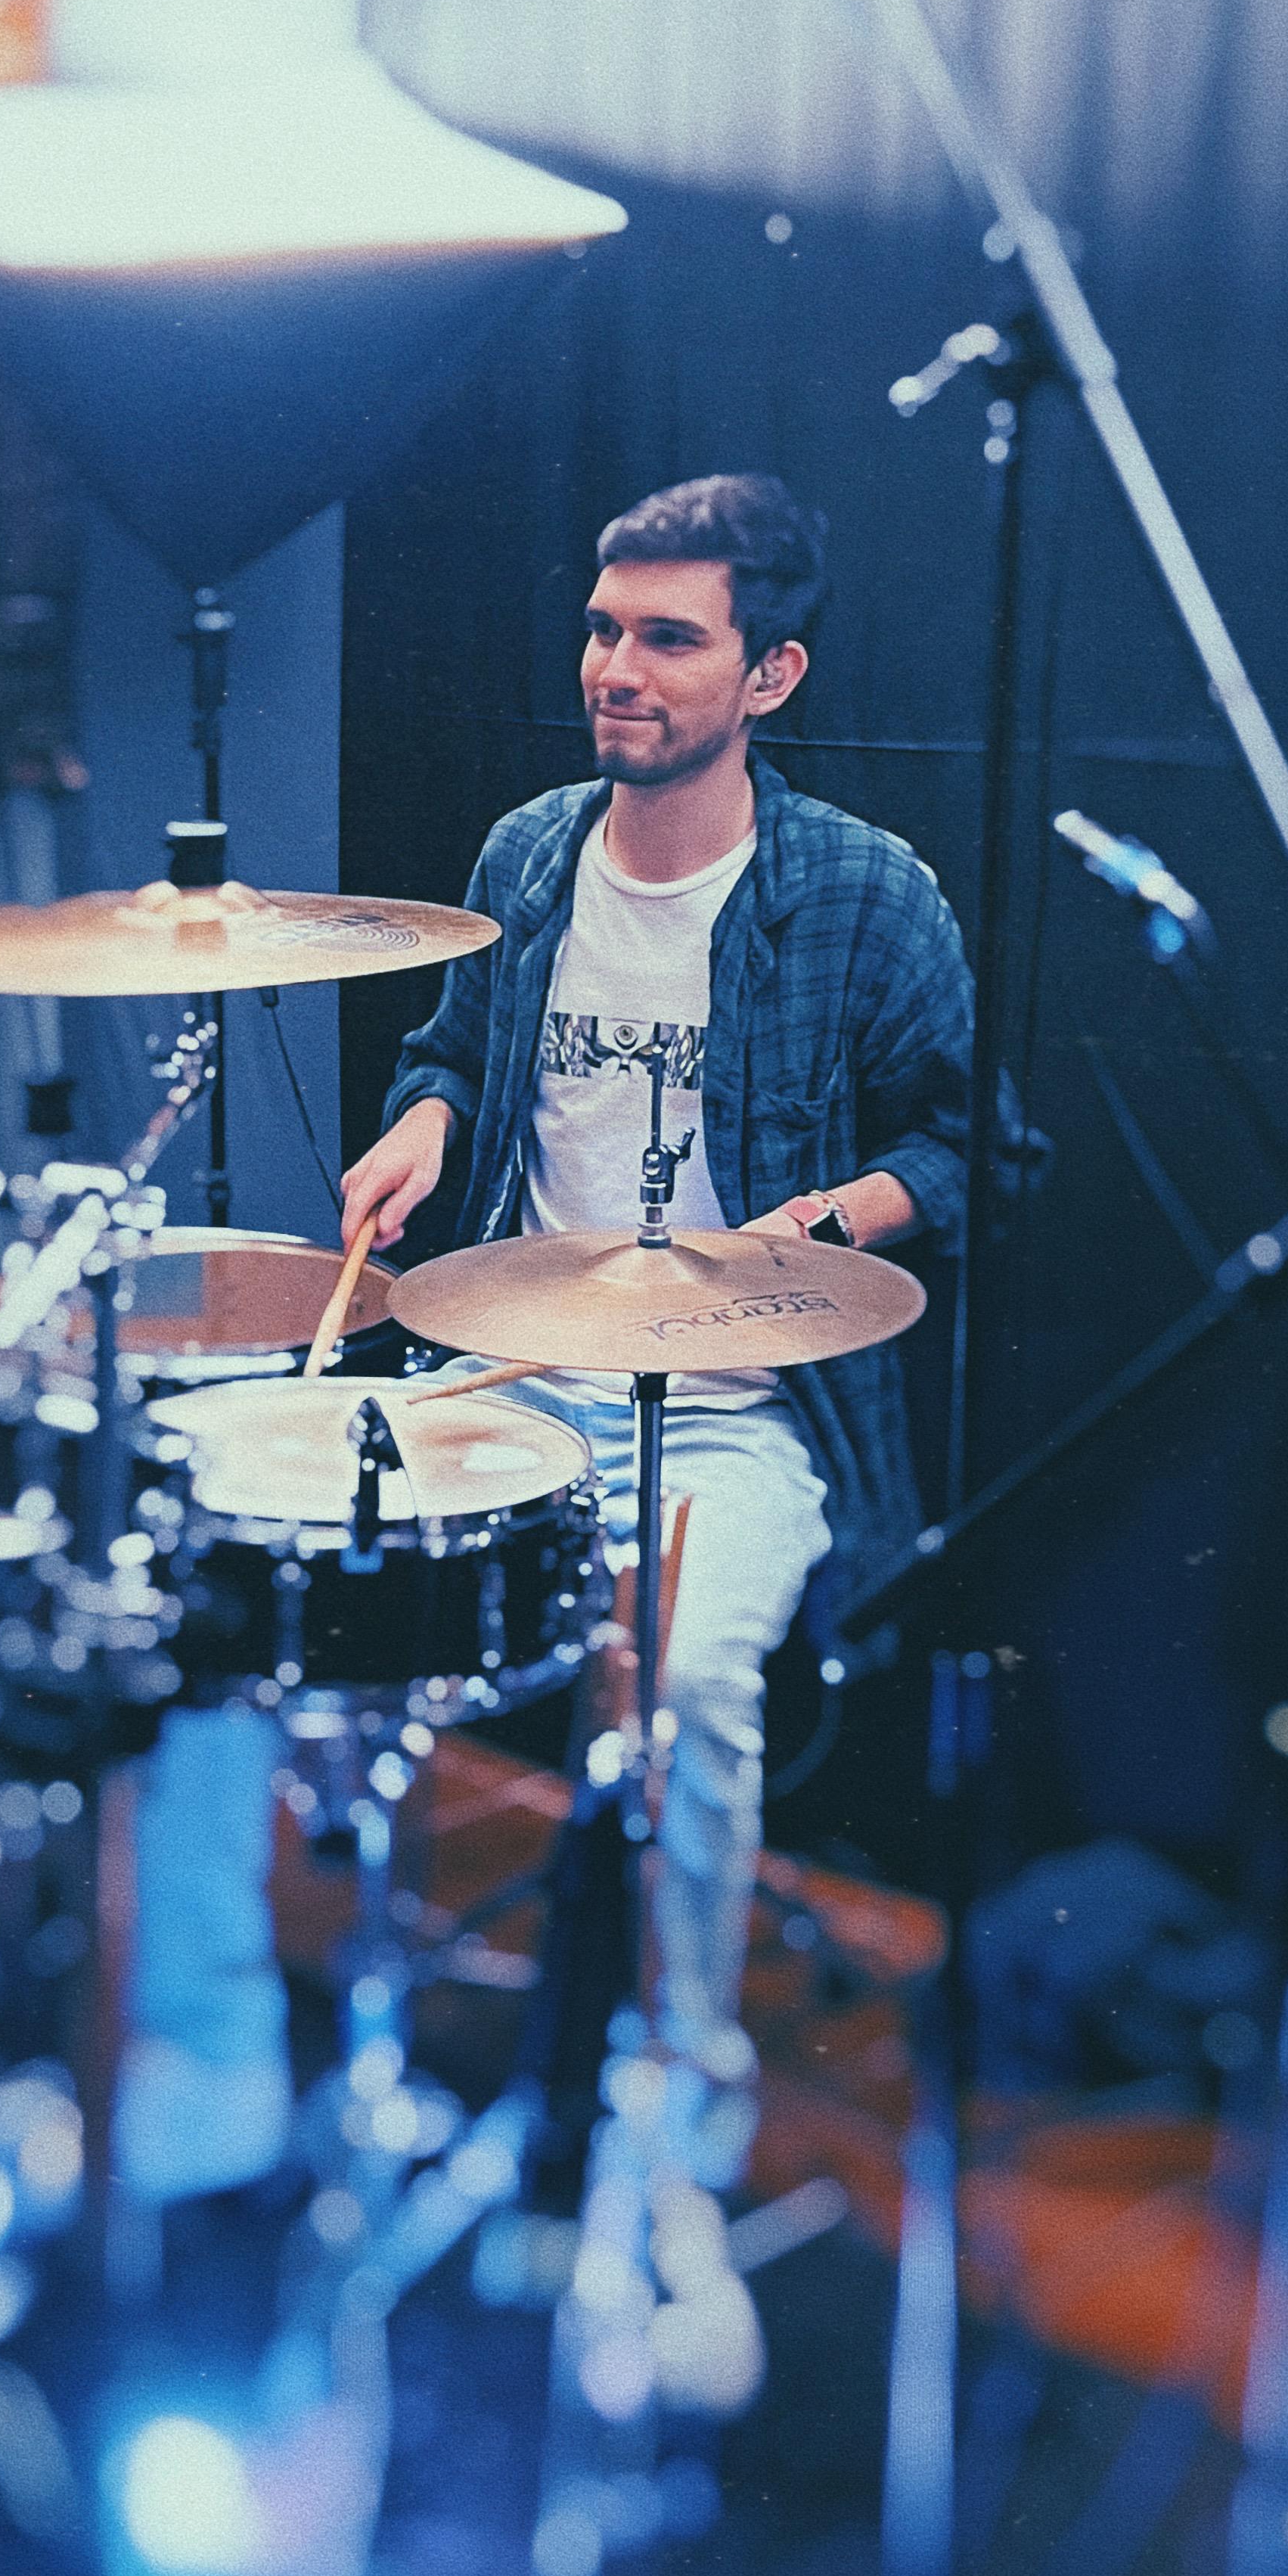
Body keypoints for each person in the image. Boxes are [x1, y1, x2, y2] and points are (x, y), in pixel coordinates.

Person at [338, 472, 973, 2158]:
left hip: (739, 1402)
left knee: (683, 1689)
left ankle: (680, 2079)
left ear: (771, 677)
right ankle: (347, 2021)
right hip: (508, 1365)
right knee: (282, 1570)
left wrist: (823, 1219)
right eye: (606, 628)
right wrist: (424, 1118)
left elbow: (969, 1149)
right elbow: (454, 1051)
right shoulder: (529, 853)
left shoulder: (862, 894)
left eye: (670, 638)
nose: (617, 665)